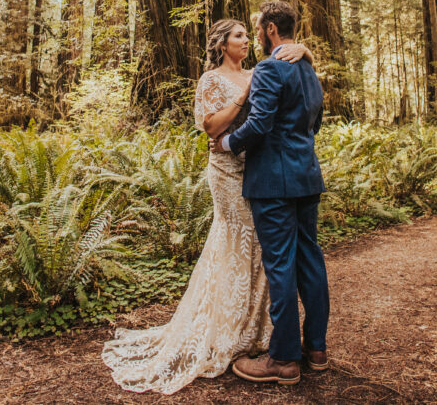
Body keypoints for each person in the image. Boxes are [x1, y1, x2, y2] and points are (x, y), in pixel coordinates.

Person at [101, 19, 312, 394]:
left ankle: (260, 331)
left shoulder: (259, 71)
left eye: (249, 35)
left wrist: (306, 51)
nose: (247, 40)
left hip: (259, 170)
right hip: (227, 171)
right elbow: (212, 128)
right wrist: (243, 95)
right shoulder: (210, 80)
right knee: (235, 239)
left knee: (263, 247)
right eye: (238, 36)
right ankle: (225, 330)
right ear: (222, 43)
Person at [213, 0, 330, 386]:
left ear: (270, 31)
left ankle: (282, 359)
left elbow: (260, 123)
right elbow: (316, 120)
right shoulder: (309, 70)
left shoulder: (267, 68)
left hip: (273, 183)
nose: (257, 36)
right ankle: (316, 349)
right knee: (310, 261)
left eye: (258, 29)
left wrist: (228, 143)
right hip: (307, 177)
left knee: (280, 266)